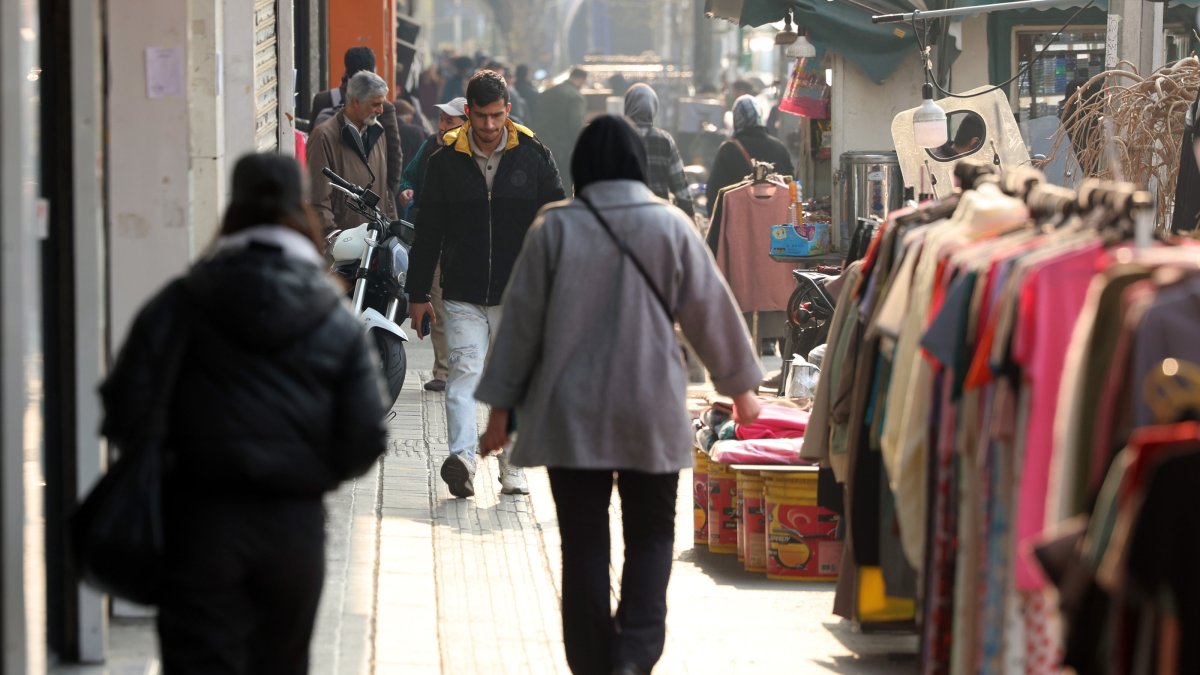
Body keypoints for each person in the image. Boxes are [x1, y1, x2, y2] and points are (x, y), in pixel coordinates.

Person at [474, 115, 763, 675]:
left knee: (582, 543)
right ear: (636, 164)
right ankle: (633, 654)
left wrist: (500, 416)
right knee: (652, 536)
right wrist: (742, 393)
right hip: (649, 410)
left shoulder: (552, 229)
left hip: (569, 413)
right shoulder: (672, 226)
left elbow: (520, 327)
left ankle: (591, 663)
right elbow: (712, 310)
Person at [99, 153, 389, 674]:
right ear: (300, 209)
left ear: (232, 207)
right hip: (292, 530)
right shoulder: (332, 317)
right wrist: (307, 475)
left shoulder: (181, 302)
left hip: (197, 525)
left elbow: (123, 408)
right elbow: (365, 436)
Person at [406, 70, 565, 498]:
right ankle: (462, 460)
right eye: (481, 117)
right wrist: (418, 293)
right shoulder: (444, 163)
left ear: (507, 111)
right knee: (464, 374)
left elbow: (556, 222)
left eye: (497, 116)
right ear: (467, 112)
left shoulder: (533, 155)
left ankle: (512, 468)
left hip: (519, 295)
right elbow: (428, 232)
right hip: (462, 294)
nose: (489, 126)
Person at [398, 96, 468, 393]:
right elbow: (407, 177)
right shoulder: (430, 147)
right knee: (437, 305)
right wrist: (406, 190)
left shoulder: (475, 154)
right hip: (435, 240)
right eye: (441, 120)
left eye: (450, 121)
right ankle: (442, 371)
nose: (442, 126)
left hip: (469, 245)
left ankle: (467, 368)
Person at [307, 71, 397, 234]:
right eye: (376, 104)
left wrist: (392, 228)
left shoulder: (378, 132)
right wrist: (333, 241)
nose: (381, 111)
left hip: (374, 244)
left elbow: (384, 192)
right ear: (356, 102)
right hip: (343, 247)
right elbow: (318, 200)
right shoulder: (324, 137)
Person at [310, 47, 403, 199]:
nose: (378, 110)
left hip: (351, 200)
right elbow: (395, 155)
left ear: (346, 70)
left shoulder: (322, 99)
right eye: (375, 105)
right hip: (356, 200)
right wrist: (387, 193)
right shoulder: (385, 108)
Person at [705, 95, 795, 211]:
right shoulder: (780, 148)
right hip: (777, 223)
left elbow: (714, 194)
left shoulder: (728, 150)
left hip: (740, 221)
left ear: (736, 118)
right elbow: (792, 188)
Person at [624, 83, 694, 217]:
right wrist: (690, 217)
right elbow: (680, 187)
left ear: (627, 105)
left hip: (622, 219)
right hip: (659, 218)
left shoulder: (616, 138)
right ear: (654, 107)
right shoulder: (665, 140)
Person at [537, 67, 588, 190]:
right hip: (565, 149)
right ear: (582, 79)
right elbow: (575, 125)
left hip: (543, 145)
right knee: (565, 185)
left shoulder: (547, 93)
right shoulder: (576, 97)